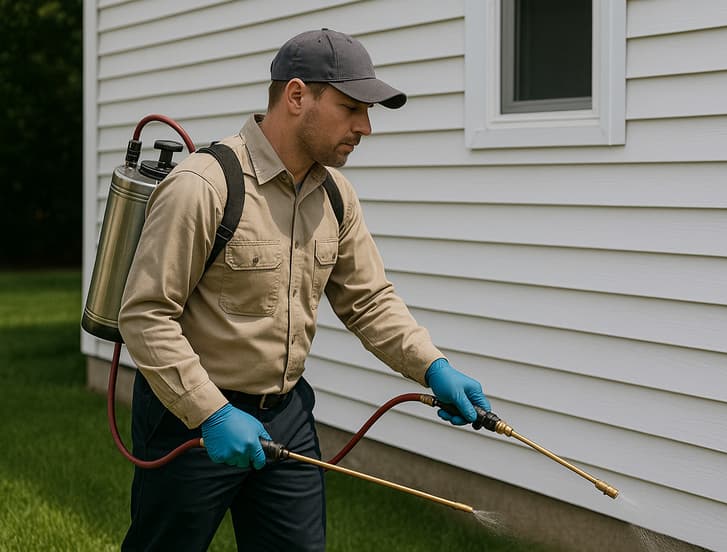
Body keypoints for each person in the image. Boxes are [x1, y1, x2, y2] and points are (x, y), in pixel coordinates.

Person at [118, 28, 491, 551]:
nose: (365, 127)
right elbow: (146, 316)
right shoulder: (204, 186)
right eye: (350, 107)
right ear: (297, 96)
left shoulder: (335, 195)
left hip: (286, 419)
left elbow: (369, 301)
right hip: (190, 422)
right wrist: (212, 412)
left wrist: (434, 366)